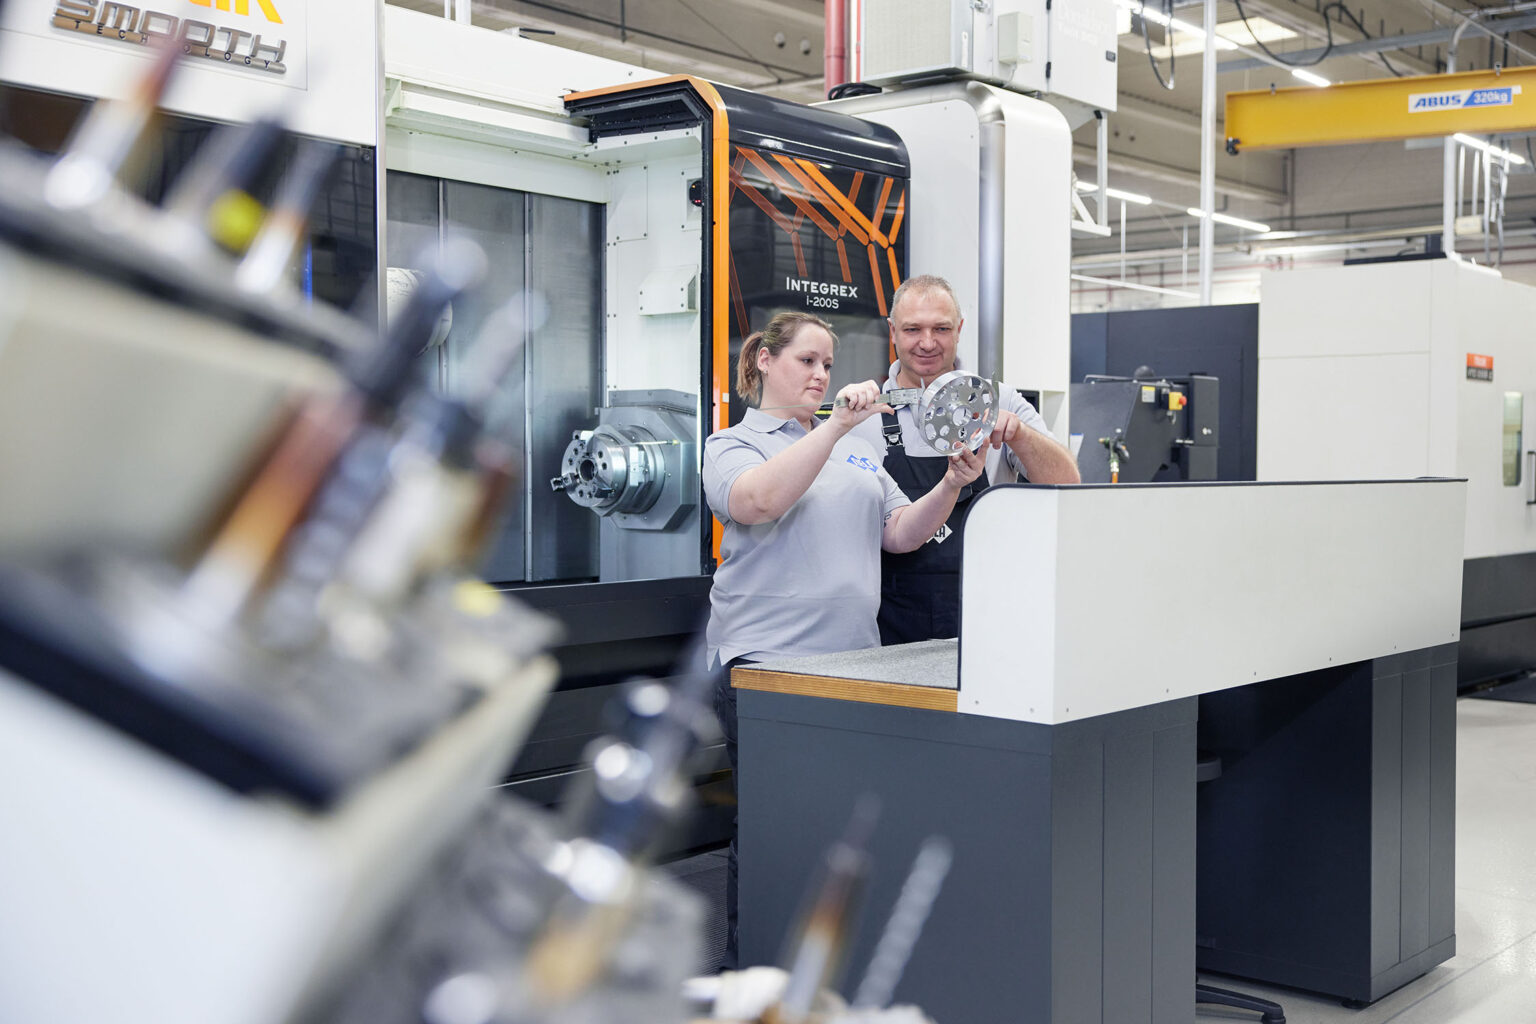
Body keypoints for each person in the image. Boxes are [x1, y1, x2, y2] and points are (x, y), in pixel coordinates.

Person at [702, 309, 983, 966]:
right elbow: (757, 504)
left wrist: (951, 484)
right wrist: (833, 426)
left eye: (827, 364)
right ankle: (752, 971)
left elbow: (901, 533)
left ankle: (829, 975)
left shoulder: (858, 448)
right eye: (807, 360)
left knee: (843, 833)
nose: (821, 373)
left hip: (852, 667)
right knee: (777, 828)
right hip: (764, 669)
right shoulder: (733, 445)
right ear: (764, 361)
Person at [862, 274, 1081, 646]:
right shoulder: (864, 414)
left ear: (959, 328)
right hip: (892, 620)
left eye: (941, 328)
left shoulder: (1001, 400)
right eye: (913, 329)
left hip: (988, 613)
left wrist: (1020, 435)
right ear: (893, 332)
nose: (927, 342)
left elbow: (1069, 484)